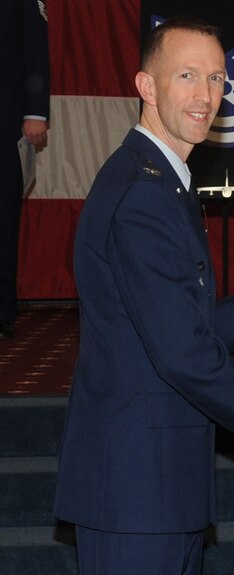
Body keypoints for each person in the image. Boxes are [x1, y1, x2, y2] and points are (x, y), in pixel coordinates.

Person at [53, 17, 234, 575]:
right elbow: (180, 353)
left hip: (152, 487)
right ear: (146, 87)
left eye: (217, 79)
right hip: (137, 491)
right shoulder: (146, 192)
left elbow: (155, 323)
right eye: (186, 76)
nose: (205, 96)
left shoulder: (161, 179)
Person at [0, 0, 50, 339]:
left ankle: (1, 314)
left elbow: (34, 43)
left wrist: (35, 111)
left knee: (2, 223)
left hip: (4, 121)